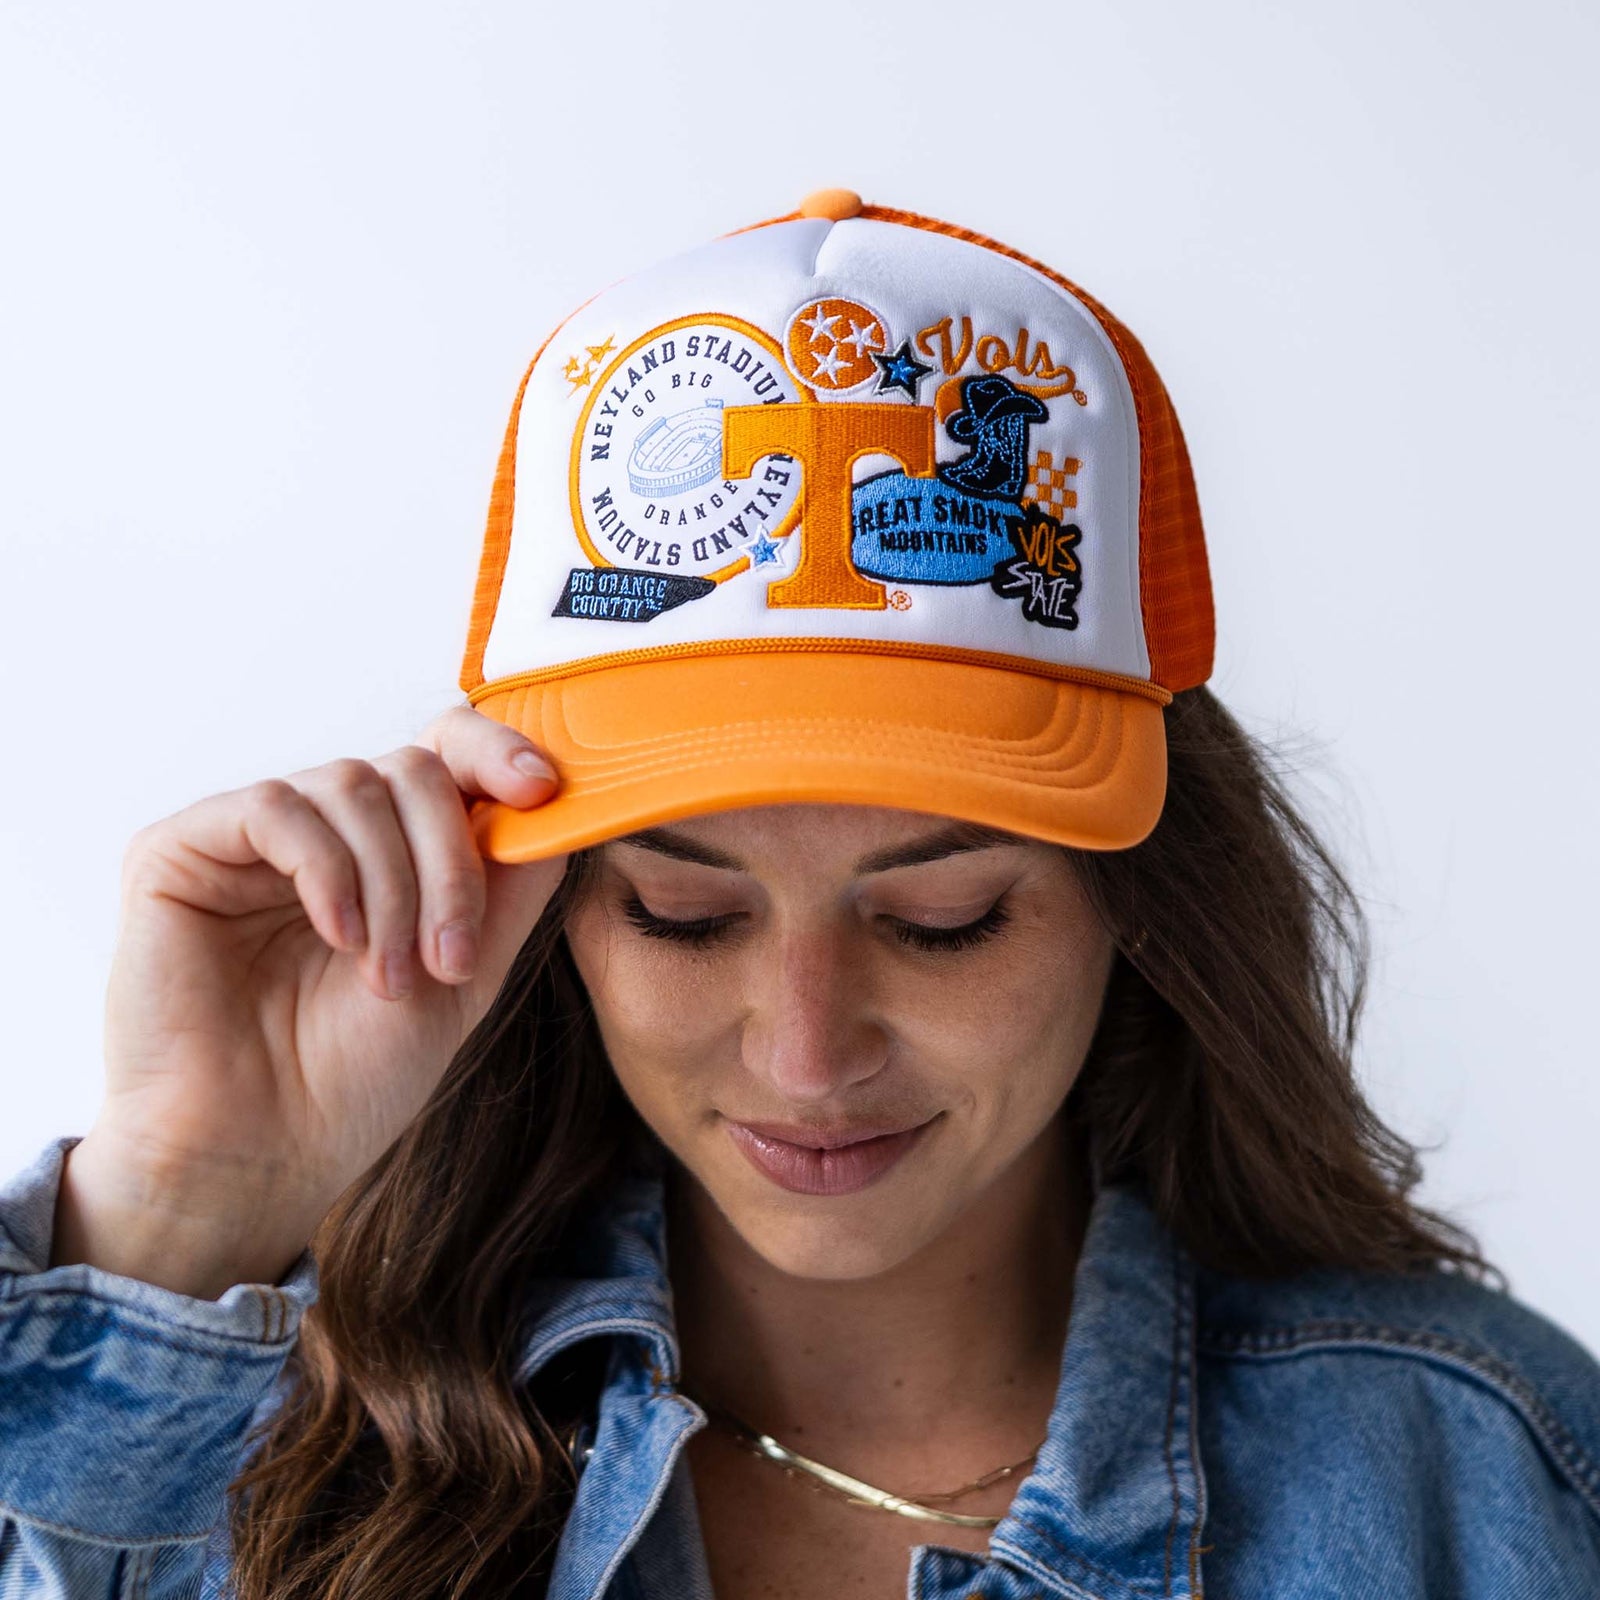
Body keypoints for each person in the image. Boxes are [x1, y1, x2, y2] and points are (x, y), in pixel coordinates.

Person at [3, 191, 1598, 1600]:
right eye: (683, 916)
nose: (807, 1054)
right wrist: (183, 1209)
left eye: (946, 918)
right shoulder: (257, 1458)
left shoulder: (1476, 1477)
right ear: (548, 919)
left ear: (1146, 911)